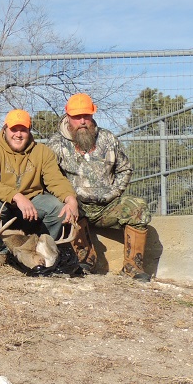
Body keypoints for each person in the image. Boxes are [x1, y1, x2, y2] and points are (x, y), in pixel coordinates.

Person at [48, 93, 152, 281]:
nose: (82, 121)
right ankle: (85, 259)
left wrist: (115, 192)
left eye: (86, 116)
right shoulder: (56, 144)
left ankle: (133, 267)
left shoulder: (107, 138)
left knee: (139, 207)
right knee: (64, 208)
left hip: (108, 206)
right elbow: (50, 177)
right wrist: (67, 198)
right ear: (68, 116)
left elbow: (125, 168)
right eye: (77, 117)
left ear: (92, 116)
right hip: (77, 206)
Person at [0, 109, 79, 257]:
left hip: (33, 206)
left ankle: (42, 249)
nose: (18, 135)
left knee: (58, 208)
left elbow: (55, 180)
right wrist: (16, 196)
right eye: (13, 129)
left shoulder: (42, 152)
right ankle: (1, 252)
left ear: (29, 131)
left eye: (23, 130)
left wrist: (70, 198)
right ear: (5, 129)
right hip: (3, 206)